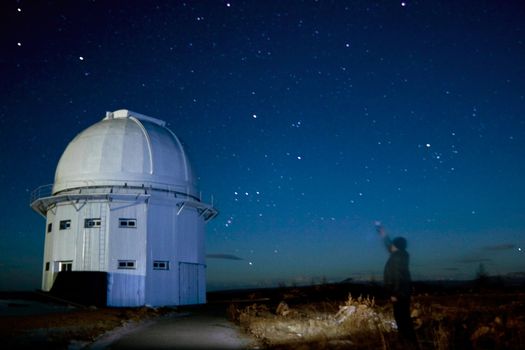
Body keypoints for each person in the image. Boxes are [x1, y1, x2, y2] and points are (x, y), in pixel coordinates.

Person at [376, 222, 418, 347]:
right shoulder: (399, 254)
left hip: (400, 294)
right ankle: (408, 340)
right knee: (402, 317)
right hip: (402, 293)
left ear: (396, 246)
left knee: (402, 318)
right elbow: (389, 246)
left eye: (393, 244)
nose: (391, 247)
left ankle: (409, 341)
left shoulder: (397, 258)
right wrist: (384, 235)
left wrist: (395, 293)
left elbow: (399, 277)